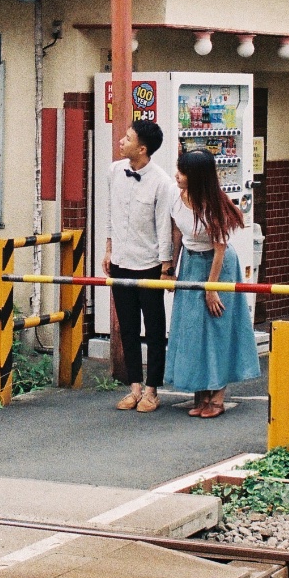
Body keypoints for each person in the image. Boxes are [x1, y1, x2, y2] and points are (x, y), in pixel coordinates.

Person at [164, 148, 259, 418]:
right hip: (191, 263)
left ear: (197, 177)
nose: (177, 176)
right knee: (191, 327)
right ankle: (200, 393)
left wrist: (212, 288)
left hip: (218, 266)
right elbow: (176, 233)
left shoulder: (214, 205)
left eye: (182, 172)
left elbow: (219, 249)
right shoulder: (177, 196)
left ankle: (217, 395)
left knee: (217, 326)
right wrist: (170, 268)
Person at [104, 117, 176, 414]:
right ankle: (134, 387)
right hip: (121, 260)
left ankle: (152, 389)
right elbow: (110, 211)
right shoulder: (114, 171)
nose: (122, 141)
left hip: (148, 264)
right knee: (128, 327)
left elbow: (164, 226)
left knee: (155, 328)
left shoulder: (162, 182)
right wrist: (108, 249)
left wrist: (165, 266)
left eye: (128, 138)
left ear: (142, 148)